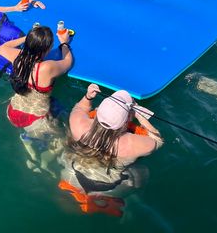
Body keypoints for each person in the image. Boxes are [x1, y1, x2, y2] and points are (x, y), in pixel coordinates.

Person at [58, 85, 163, 215]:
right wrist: (139, 114)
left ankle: (84, 203)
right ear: (126, 121)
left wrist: (88, 96)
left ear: (99, 111)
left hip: (72, 176)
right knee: (143, 171)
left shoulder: (79, 124)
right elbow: (158, 141)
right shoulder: (131, 143)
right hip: (110, 189)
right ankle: (128, 204)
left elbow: (79, 108)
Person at [0, 25, 73, 173]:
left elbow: (1, 48)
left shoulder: (18, 57)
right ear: (47, 49)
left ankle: (29, 144)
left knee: (38, 129)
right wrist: (64, 43)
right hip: (36, 120)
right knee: (65, 142)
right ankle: (41, 161)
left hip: (13, 111)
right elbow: (68, 62)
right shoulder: (46, 68)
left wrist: (29, 38)